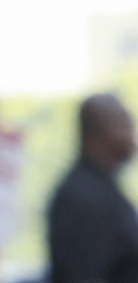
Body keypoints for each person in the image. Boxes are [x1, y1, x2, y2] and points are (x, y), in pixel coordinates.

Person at [49, 92, 138, 283]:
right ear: (96, 133)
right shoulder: (83, 197)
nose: (132, 136)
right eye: (124, 124)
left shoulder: (102, 186)